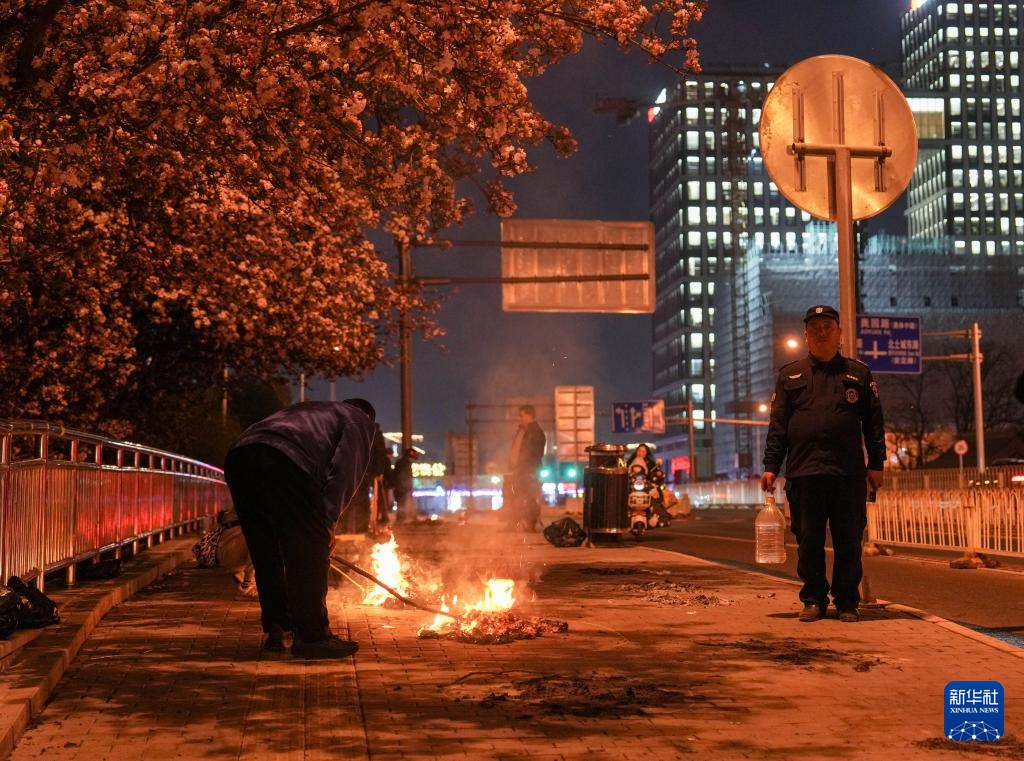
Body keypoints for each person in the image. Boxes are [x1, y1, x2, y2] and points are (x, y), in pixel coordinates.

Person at [760, 305, 885, 624]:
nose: (821, 331)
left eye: (827, 326)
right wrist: (771, 466)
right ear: (806, 334)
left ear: (839, 332)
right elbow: (778, 426)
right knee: (808, 541)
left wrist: (877, 463)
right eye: (814, 327)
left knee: (849, 540)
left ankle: (846, 602)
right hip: (804, 472)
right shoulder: (790, 375)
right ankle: (813, 599)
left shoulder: (858, 374)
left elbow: (873, 423)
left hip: (848, 474)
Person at [223, 398, 376, 657]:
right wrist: (326, 522)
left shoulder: (313, 410)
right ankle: (313, 637)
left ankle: (278, 628)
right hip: (283, 458)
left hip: (240, 457)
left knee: (266, 549)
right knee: (309, 550)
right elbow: (345, 473)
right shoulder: (358, 419)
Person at [504, 404, 546, 530]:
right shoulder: (522, 431)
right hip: (518, 470)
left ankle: (530, 524)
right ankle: (514, 523)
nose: (519, 418)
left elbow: (535, 453)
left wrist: (529, 469)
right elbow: (517, 450)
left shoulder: (536, 433)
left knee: (529, 497)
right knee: (515, 496)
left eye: (521, 415)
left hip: (528, 471)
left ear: (529, 415)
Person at [392, 447, 418, 523]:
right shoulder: (404, 464)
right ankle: (401, 521)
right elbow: (402, 477)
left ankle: (402, 519)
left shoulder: (402, 462)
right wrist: (406, 487)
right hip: (401, 489)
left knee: (402, 505)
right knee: (402, 505)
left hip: (401, 488)